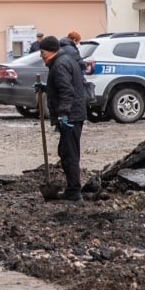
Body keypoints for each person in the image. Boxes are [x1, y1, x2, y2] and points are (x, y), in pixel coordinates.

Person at [36, 35, 87, 201]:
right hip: (75, 113)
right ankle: (73, 188)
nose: (41, 55)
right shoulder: (64, 60)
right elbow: (63, 86)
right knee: (65, 151)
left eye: (42, 52)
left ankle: (74, 191)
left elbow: (67, 91)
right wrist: (47, 88)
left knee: (69, 154)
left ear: (49, 51)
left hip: (71, 115)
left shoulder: (59, 65)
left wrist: (64, 114)